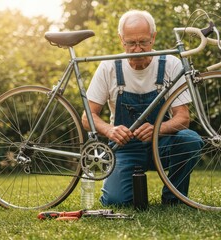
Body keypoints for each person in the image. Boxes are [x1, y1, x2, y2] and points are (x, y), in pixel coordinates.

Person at [82, 10, 203, 206]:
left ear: (153, 38)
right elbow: (87, 117)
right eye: (131, 43)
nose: (138, 49)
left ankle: (174, 199)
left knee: (190, 140)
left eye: (143, 42)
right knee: (116, 201)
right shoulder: (109, 66)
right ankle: (121, 185)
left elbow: (183, 118)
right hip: (125, 149)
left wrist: (158, 129)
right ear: (121, 40)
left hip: (161, 144)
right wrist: (109, 129)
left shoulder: (171, 63)